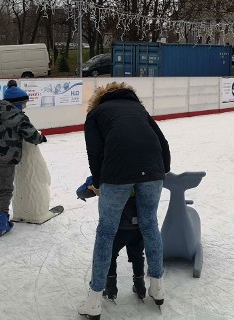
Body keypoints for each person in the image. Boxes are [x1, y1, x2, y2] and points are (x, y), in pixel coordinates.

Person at [78, 81, 171, 318]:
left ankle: (94, 300)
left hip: (117, 172)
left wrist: (98, 182)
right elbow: (162, 143)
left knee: (107, 232)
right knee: (149, 225)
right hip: (153, 169)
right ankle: (158, 288)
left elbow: (94, 151)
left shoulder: (96, 114)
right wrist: (163, 170)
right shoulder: (139, 110)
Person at [0, 80, 46, 237]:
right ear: (17, 103)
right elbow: (31, 135)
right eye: (23, 104)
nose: (24, 107)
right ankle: (3, 221)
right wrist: (41, 138)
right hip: (6, 160)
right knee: (5, 190)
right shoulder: (19, 118)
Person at [77, 177, 146, 302]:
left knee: (110, 254)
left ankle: (111, 288)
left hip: (118, 227)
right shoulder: (139, 171)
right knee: (137, 255)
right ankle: (140, 286)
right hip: (137, 226)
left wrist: (90, 188)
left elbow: (81, 191)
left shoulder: (108, 169)